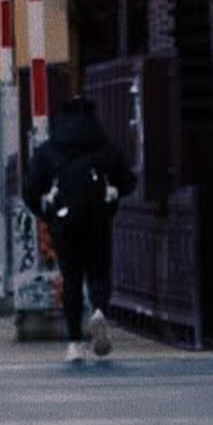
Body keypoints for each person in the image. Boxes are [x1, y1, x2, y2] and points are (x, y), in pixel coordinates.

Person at [23, 93, 136, 363]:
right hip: (98, 218)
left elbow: (30, 189)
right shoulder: (104, 147)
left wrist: (46, 213)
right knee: (99, 272)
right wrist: (113, 194)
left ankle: (74, 343)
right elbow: (129, 181)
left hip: (64, 222)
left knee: (71, 278)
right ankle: (99, 311)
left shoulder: (50, 149)